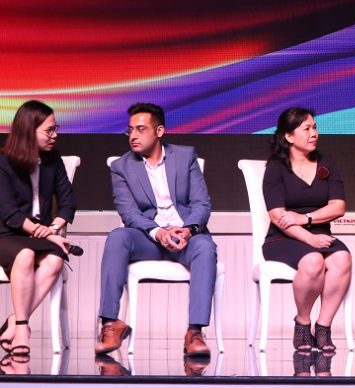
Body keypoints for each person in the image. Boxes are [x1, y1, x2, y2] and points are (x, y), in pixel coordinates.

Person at [95, 103, 216, 358]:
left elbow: (201, 204)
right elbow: (129, 213)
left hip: (184, 237)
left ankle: (195, 332)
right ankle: (110, 323)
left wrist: (187, 230)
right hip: (148, 238)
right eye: (130, 130)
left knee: (205, 246)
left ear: (159, 131)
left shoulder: (185, 156)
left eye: (140, 129)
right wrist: (158, 232)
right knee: (117, 237)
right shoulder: (121, 167)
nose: (133, 136)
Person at [262, 107, 351, 353]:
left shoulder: (327, 162)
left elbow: (338, 207)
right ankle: (302, 322)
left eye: (315, 127)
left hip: (320, 233)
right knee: (313, 261)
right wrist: (309, 238)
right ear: (289, 136)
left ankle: (323, 327)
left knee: (342, 258)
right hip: (282, 238)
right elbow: (278, 216)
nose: (314, 134)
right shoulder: (276, 167)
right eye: (307, 129)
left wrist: (306, 218)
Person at [0, 100, 77, 361]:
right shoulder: (3, 162)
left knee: (55, 259)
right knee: (25, 255)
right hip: (7, 234)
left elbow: (68, 203)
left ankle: (14, 321)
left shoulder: (53, 160)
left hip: (40, 234)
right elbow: (9, 213)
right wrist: (44, 233)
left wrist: (53, 228)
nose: (55, 135)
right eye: (49, 130)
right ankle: (23, 330)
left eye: (56, 129)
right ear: (28, 131)